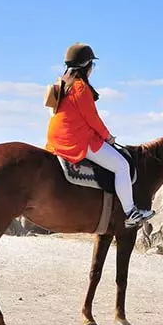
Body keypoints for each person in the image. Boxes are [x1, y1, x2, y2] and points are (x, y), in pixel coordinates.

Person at [45, 43, 154, 229]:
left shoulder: (64, 84)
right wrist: (108, 137)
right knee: (121, 165)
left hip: (57, 137)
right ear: (87, 66)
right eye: (92, 66)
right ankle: (130, 212)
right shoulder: (80, 88)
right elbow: (92, 119)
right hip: (76, 139)